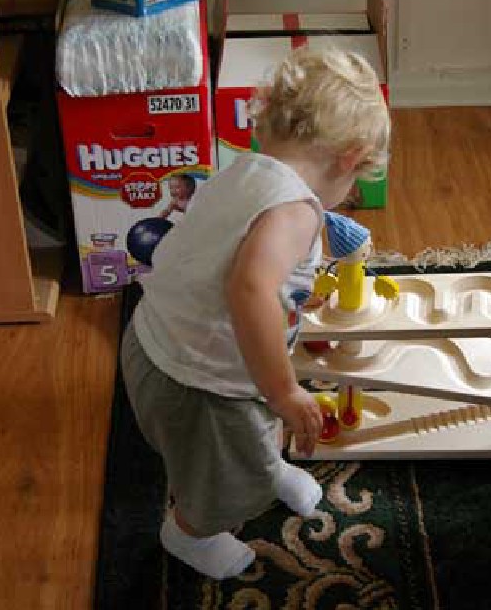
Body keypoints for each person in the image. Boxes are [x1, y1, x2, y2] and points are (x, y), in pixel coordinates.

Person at [119, 45, 390, 580]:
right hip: (199, 385)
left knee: (249, 434)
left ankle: (267, 465)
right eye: (356, 184)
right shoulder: (295, 210)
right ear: (350, 158)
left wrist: (295, 299)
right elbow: (250, 287)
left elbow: (231, 259)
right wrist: (285, 392)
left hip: (152, 342)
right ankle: (189, 532)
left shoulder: (243, 170)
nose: (349, 195)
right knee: (224, 477)